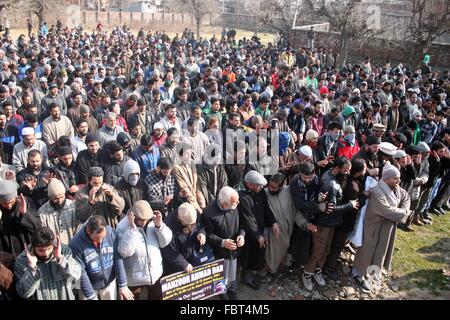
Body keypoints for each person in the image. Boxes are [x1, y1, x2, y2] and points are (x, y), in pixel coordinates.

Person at [352, 164, 410, 292]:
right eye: (395, 178)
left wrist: (404, 208)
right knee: (367, 251)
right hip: (374, 227)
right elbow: (386, 210)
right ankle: (358, 274)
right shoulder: (378, 191)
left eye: (399, 178)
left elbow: (406, 197)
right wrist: (405, 212)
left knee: (381, 251)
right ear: (386, 179)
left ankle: (372, 272)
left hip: (387, 227)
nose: (398, 181)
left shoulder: (396, 188)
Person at [116, 201, 172, 300]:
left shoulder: (153, 221)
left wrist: (159, 226)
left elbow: (165, 242)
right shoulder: (122, 226)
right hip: (134, 276)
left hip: (154, 273)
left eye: (147, 219)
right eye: (141, 220)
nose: (144, 222)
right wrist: (132, 230)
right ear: (134, 216)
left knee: (156, 297)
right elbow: (124, 252)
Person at [69, 215, 134, 300]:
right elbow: (81, 273)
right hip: (88, 286)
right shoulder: (76, 244)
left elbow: (117, 257)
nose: (100, 241)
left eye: (103, 238)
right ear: (88, 231)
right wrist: (91, 296)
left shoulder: (110, 232)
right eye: (97, 239)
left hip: (109, 282)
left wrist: (123, 284)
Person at [14, 227, 81, 300]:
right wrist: (31, 269)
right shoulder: (22, 260)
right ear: (33, 247)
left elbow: (76, 277)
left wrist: (60, 259)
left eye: (49, 249)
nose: (46, 253)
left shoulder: (64, 251)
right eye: (41, 250)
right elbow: (23, 293)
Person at [238, 171, 278, 290]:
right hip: (248, 232)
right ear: (250, 185)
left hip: (259, 229)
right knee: (248, 255)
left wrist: (273, 222)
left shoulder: (259, 192)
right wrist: (257, 235)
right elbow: (248, 218)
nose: (261, 188)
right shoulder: (242, 195)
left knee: (257, 254)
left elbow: (266, 208)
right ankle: (246, 277)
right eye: (259, 186)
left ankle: (253, 274)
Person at [202, 186, 244, 300]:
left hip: (234, 249)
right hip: (220, 252)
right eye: (234, 202)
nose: (238, 203)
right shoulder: (208, 213)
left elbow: (242, 224)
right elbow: (208, 235)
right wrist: (222, 242)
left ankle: (232, 289)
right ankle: (222, 291)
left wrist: (242, 235)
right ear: (224, 203)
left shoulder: (235, 206)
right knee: (222, 274)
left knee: (233, 272)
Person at [264, 173, 296, 274]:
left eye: (274, 187)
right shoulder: (264, 193)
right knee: (271, 252)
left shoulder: (288, 192)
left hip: (287, 228)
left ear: (281, 186)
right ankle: (268, 269)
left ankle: (278, 267)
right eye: (270, 186)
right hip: (271, 230)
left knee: (284, 248)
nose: (271, 189)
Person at [0, 181, 41, 257]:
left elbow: (37, 226)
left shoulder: (26, 202)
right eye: (4, 203)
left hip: (26, 249)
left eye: (11, 202)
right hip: (5, 252)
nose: (8, 206)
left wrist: (25, 213)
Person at [38, 179, 79, 246]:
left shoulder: (72, 205)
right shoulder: (42, 212)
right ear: (50, 197)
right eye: (55, 198)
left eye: (62, 197)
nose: (60, 201)